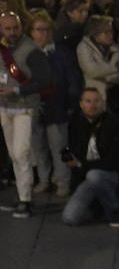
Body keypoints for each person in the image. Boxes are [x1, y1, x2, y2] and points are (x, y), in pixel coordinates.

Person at [0, 10, 52, 218]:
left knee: (21, 152)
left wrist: (18, 90)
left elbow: (45, 81)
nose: (12, 32)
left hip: (25, 107)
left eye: (16, 27)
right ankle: (22, 193)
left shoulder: (31, 50)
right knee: (13, 153)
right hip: (4, 107)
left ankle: (25, 200)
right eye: (8, 28)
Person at [62, 86, 119, 227]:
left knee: (95, 176)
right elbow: (73, 149)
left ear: (103, 103)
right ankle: (99, 208)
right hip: (85, 176)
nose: (92, 105)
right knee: (70, 217)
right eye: (88, 101)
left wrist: (82, 165)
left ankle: (115, 211)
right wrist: (67, 155)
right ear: (81, 104)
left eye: (96, 101)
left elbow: (116, 159)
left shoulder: (113, 123)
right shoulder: (76, 124)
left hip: (109, 174)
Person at [28, 13, 79, 198]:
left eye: (47, 29)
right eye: (39, 30)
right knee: (38, 146)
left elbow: (72, 78)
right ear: (31, 32)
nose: (44, 33)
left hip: (57, 105)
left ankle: (63, 180)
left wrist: (71, 102)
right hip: (34, 106)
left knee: (60, 146)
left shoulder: (62, 53)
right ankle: (44, 179)